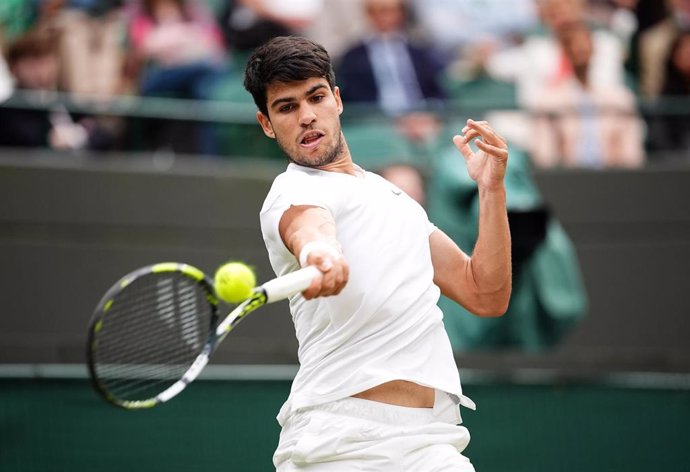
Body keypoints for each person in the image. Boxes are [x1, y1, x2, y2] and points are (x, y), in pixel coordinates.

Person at [243, 36, 512, 471]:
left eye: (315, 97)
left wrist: (491, 190)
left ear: (337, 100)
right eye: (286, 107)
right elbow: (309, 228)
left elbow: (486, 293)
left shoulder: (396, 200)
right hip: (341, 441)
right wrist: (320, 254)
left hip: (431, 442)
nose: (307, 115)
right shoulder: (292, 191)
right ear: (267, 123)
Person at [530, 21, 644, 168]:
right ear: (565, 51)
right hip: (568, 180)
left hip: (615, 179)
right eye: (573, 44)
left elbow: (632, 154)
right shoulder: (549, 101)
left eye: (584, 44)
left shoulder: (621, 99)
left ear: (594, 48)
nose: (579, 49)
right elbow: (545, 156)